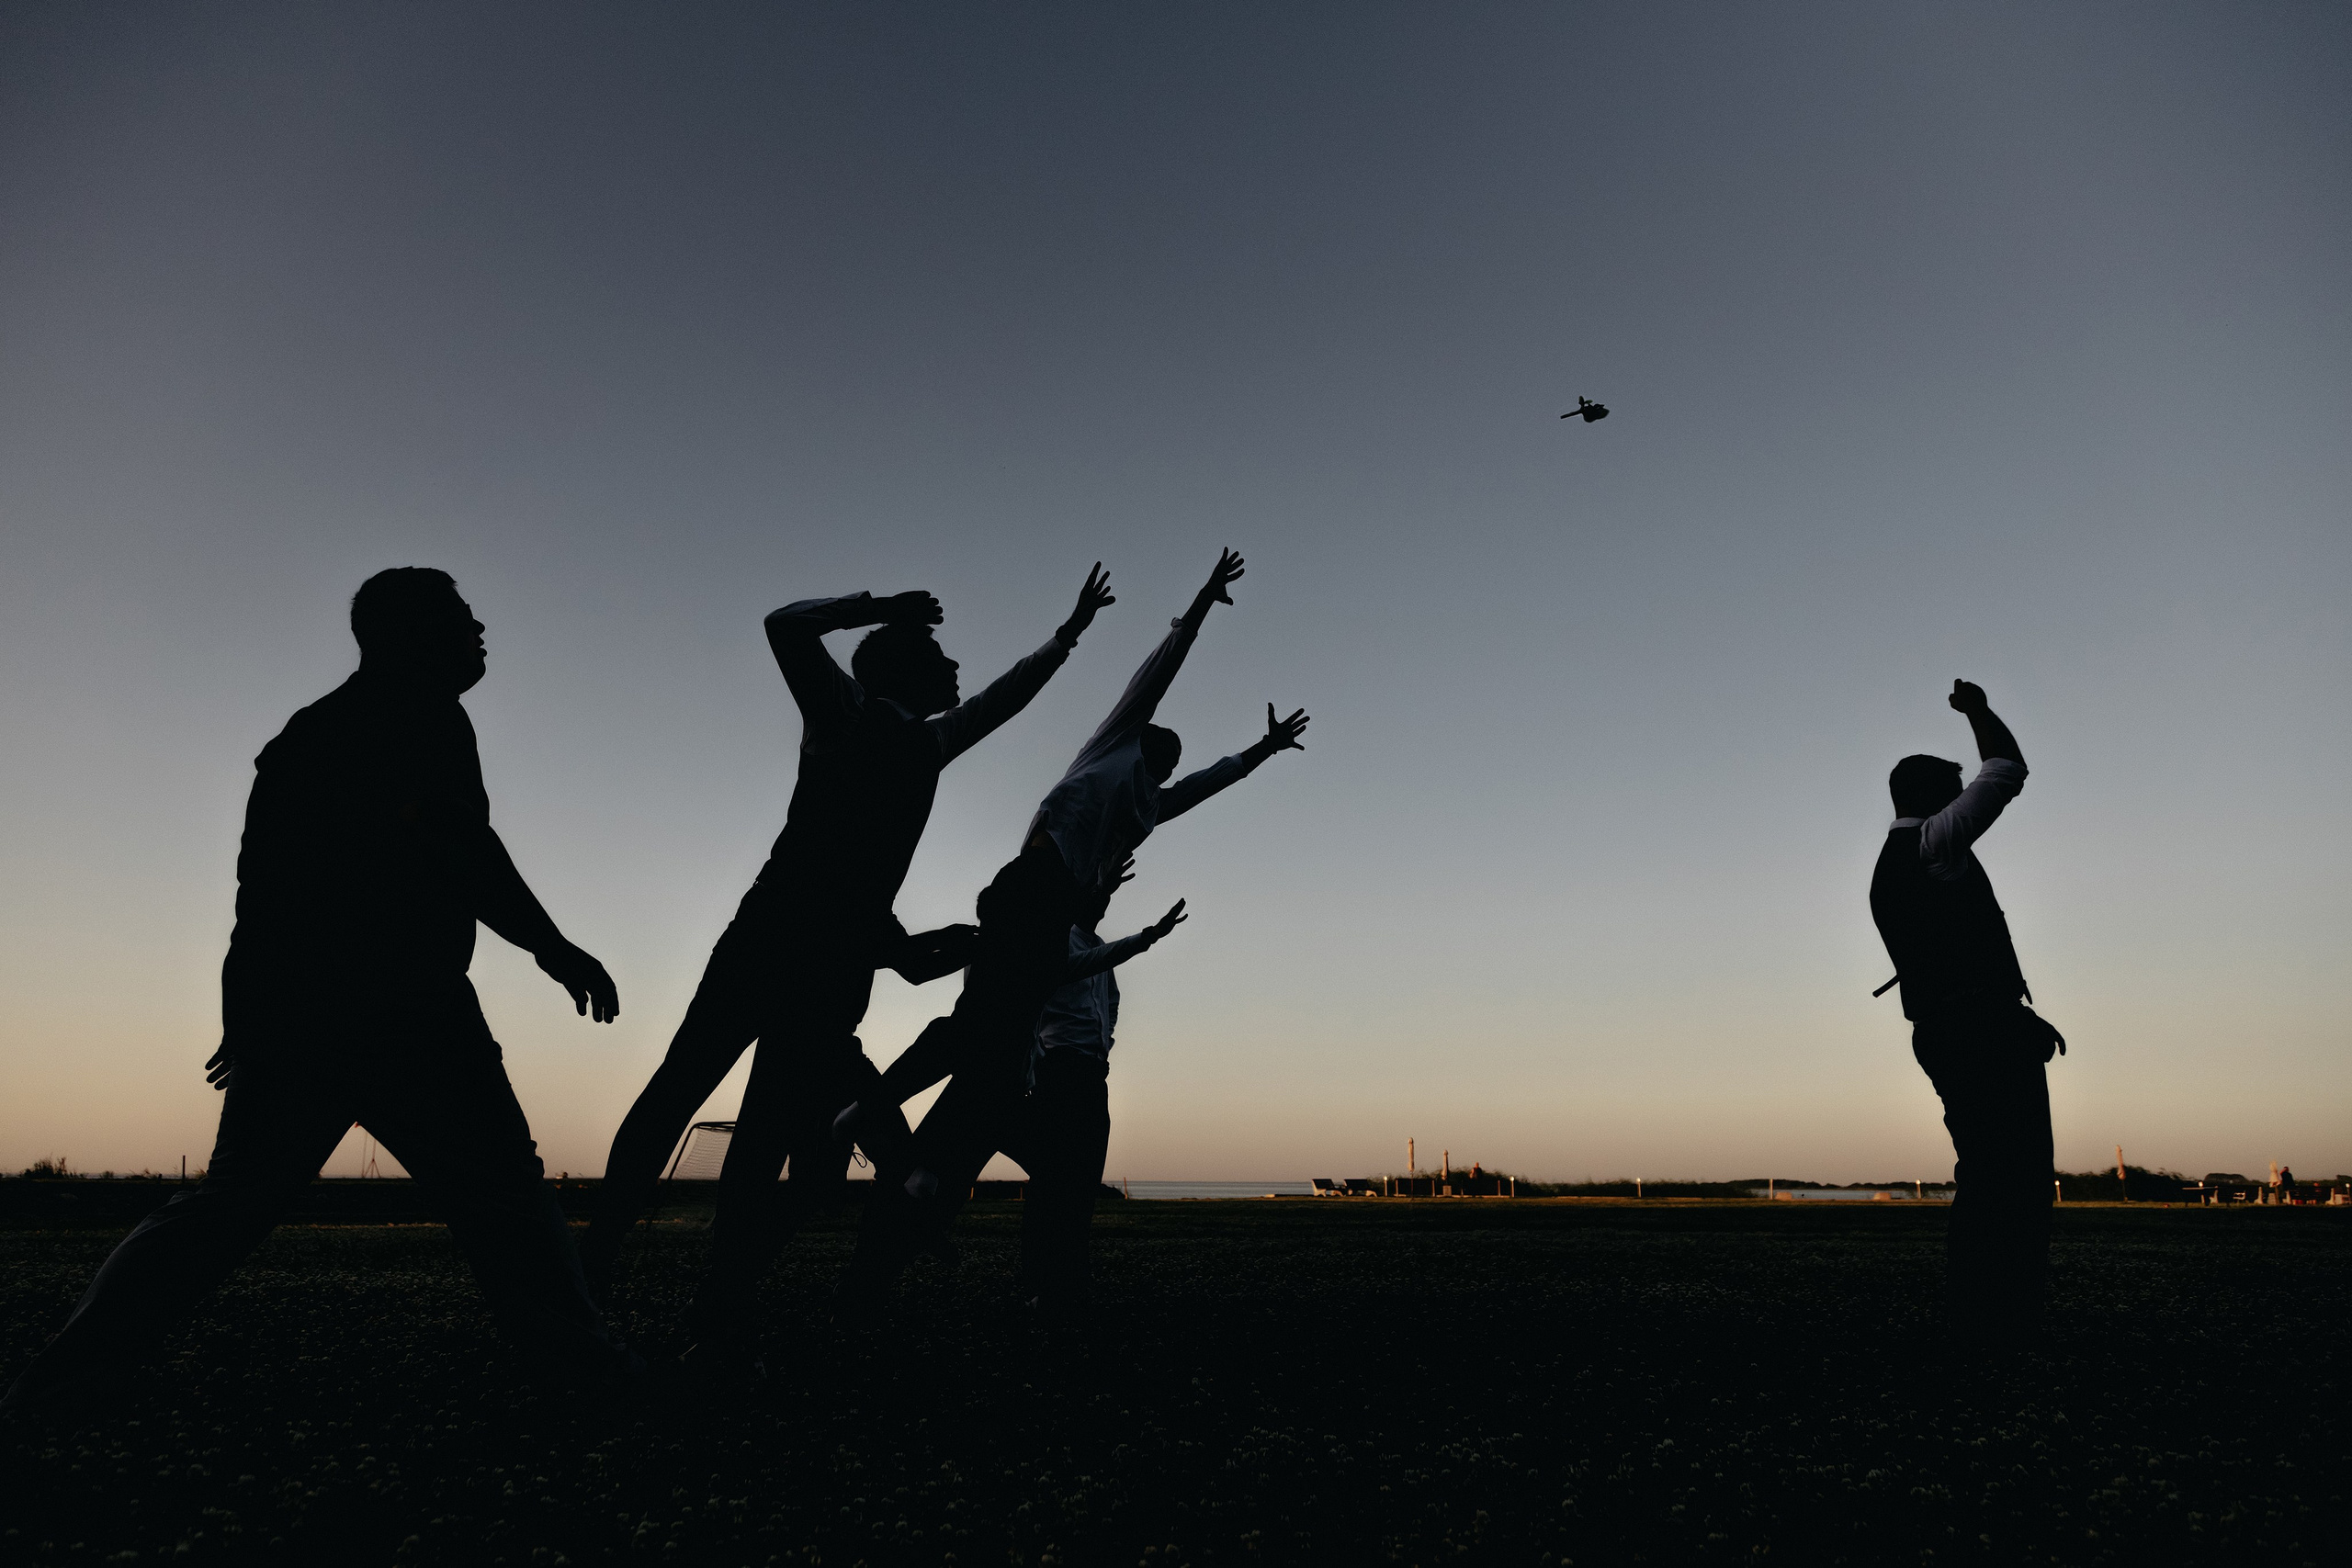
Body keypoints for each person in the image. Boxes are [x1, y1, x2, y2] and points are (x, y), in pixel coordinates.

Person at [2, 569, 633, 1419]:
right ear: (408, 635)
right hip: (394, 1007)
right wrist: (552, 947)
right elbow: (454, 852)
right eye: (459, 617)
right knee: (503, 1195)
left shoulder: (347, 728)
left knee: (232, 1205)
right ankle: (580, 1367)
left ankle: (64, 1382)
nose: (480, 626)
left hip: (325, 1010)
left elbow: (265, 892)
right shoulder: (395, 724)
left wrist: (249, 1011)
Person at [579, 566, 1116, 1351]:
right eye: (937, 653)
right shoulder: (845, 712)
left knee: (757, 1131)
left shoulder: (929, 742)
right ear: (892, 666)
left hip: (831, 963)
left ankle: (717, 1307)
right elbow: (784, 625)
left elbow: (1006, 697)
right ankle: (599, 1272)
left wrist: (1066, 638)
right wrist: (879, 605)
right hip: (779, 942)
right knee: (682, 1094)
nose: (954, 667)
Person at [844, 548, 1306, 1289]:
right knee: (987, 1036)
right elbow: (1151, 681)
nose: (1164, 763)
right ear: (1144, 743)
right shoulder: (1113, 746)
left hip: (1049, 909)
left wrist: (1261, 752)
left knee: (996, 1055)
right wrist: (1197, 608)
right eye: (1161, 750)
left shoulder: (1147, 805)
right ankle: (886, 1128)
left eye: (1167, 763)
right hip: (1029, 887)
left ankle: (924, 1183)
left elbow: (1204, 787)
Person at [1870, 680, 2065, 1351]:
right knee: (2012, 1176)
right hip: (1976, 1029)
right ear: (1930, 799)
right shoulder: (1933, 845)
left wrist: (2015, 1016)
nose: (1962, 803)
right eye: (1952, 794)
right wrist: (1978, 712)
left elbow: (1945, 960)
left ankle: (1985, 1315)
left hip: (1960, 1026)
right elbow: (2006, 771)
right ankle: (1994, 1320)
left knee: (1992, 1172)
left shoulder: (1899, 860)